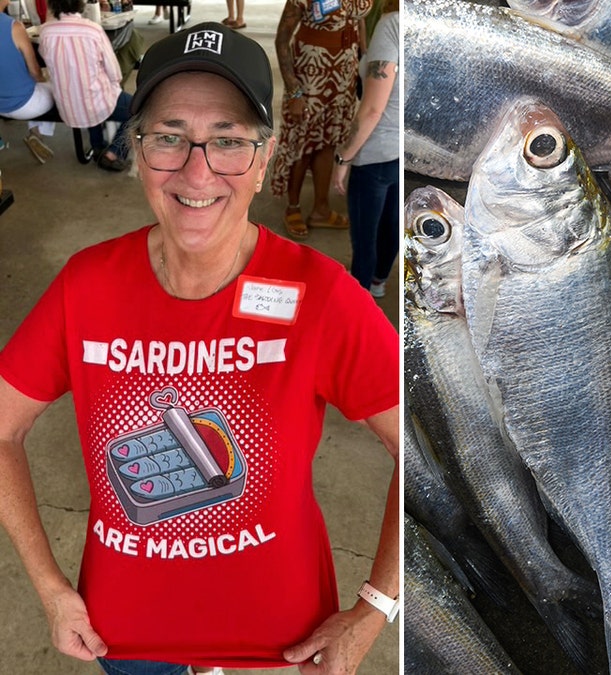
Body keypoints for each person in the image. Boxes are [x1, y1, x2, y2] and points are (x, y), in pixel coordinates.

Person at [0, 21, 399, 675]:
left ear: (265, 158)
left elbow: (420, 452)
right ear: (136, 148)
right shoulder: (86, 285)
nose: (197, 170)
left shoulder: (319, 293)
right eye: (169, 138)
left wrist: (376, 606)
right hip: (126, 641)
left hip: (277, 646)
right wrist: (50, 589)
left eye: (228, 142)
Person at [272, 0, 372, 240]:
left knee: (328, 140)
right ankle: (293, 206)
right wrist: (294, 91)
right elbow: (282, 40)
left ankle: (321, 208)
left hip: (343, 74)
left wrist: (365, 60)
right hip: (311, 75)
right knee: (303, 143)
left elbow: (359, 21)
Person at [332, 0, 398, 298]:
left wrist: (344, 156)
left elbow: (372, 109)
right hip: (406, 151)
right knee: (392, 226)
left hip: (375, 151)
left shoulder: (392, 24)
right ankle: (379, 281)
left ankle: (358, 301)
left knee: (365, 236)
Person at [38, 0, 132, 171]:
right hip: (96, 101)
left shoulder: (45, 31)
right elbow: (115, 73)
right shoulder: (92, 29)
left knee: (82, 89)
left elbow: (48, 60)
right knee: (139, 111)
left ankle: (97, 145)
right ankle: (114, 153)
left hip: (68, 106)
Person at [0, 0, 55, 163]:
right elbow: (35, 71)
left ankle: (35, 134)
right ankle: (36, 134)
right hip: (24, 105)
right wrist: (44, 81)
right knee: (53, 87)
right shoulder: (14, 27)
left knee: (35, 87)